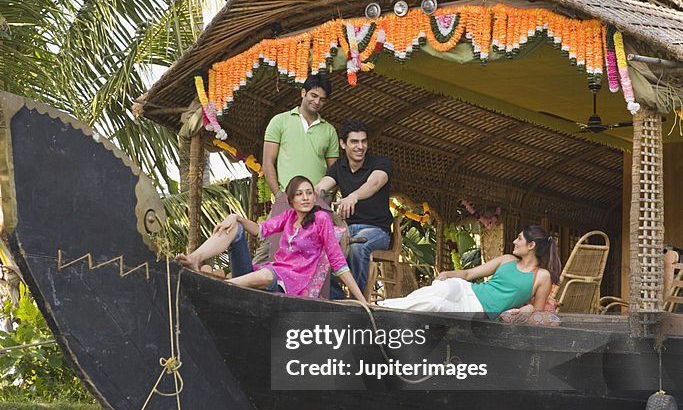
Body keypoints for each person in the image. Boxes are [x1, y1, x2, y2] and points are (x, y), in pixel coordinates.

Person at [177, 175, 367, 304]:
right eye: (299, 194)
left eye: (309, 193)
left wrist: (361, 300)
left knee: (267, 275)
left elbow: (338, 262)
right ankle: (194, 258)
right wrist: (236, 217)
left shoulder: (321, 219)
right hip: (263, 274)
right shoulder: (289, 217)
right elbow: (259, 230)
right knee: (236, 228)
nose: (306, 198)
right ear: (291, 200)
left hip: (289, 283)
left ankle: (218, 287)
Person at [380, 225, 561, 317]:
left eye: (519, 239)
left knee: (436, 304)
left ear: (531, 245)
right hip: (467, 289)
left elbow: (537, 309)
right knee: (442, 287)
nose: (514, 241)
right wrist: (448, 274)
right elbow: (469, 274)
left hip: (476, 309)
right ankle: (381, 306)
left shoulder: (542, 276)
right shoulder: (507, 259)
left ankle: (384, 310)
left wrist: (519, 312)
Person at [316, 121, 392, 296]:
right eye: (354, 142)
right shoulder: (339, 168)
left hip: (377, 231)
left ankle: (356, 300)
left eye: (363, 141)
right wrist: (310, 196)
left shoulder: (380, 163)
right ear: (343, 144)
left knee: (357, 247)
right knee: (318, 245)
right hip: (346, 230)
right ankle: (337, 299)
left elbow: (374, 183)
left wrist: (353, 196)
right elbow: (321, 188)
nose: (360, 146)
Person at [262, 74, 338, 210]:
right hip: (286, 200)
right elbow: (268, 162)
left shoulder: (329, 130)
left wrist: (325, 200)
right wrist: (279, 196)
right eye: (313, 96)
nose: (317, 102)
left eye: (322, 99)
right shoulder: (279, 121)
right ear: (303, 93)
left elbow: (335, 171)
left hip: (317, 203)